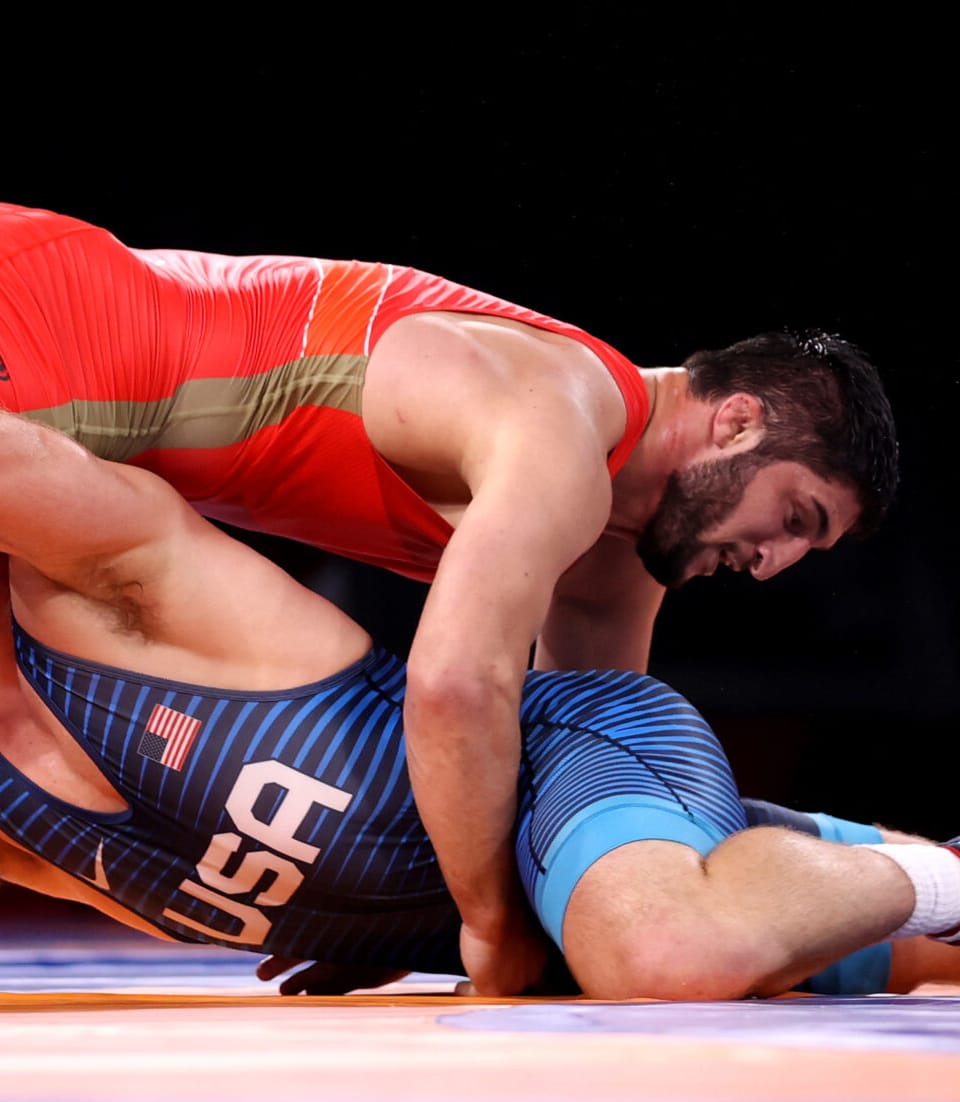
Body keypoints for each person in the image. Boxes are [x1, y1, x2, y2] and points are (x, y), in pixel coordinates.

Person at [0, 201, 901, 995]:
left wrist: (391, 911)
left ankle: (909, 883)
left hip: (66, 367)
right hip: (47, 322)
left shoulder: (610, 548)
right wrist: (484, 926)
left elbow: (571, 790)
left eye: (803, 547)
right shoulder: (559, 424)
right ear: (736, 422)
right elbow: (454, 686)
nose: (773, 561)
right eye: (794, 514)